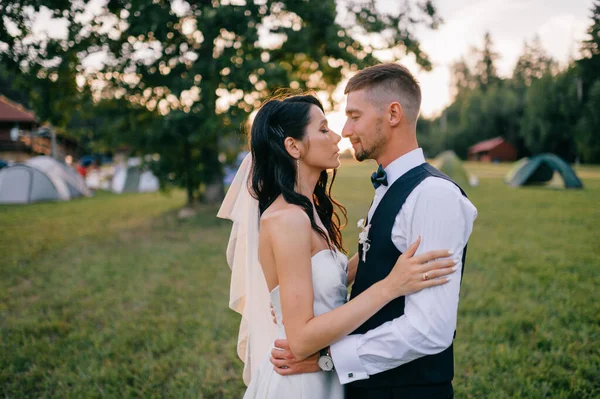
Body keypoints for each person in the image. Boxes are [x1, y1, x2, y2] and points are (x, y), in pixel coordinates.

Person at [218, 93, 457, 398]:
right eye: (323, 129)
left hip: (327, 375)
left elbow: (325, 279)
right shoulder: (287, 219)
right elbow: (302, 340)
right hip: (299, 384)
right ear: (293, 146)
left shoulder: (309, 209)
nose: (338, 137)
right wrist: (391, 286)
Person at [269, 64, 478, 399]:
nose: (345, 129)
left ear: (393, 113)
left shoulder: (433, 196)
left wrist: (329, 358)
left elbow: (430, 330)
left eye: (354, 115)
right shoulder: (389, 185)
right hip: (368, 385)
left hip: (407, 390)